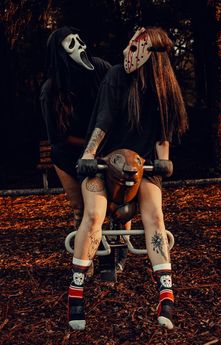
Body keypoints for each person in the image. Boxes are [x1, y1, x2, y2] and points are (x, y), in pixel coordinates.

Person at [69, 27, 188, 331]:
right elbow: (104, 119)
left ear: (153, 59)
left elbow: (162, 133)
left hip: (140, 168)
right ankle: (76, 293)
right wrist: (89, 154)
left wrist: (163, 161)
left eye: (136, 49)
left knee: (155, 216)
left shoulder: (162, 90)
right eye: (129, 46)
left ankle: (166, 295)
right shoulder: (116, 77)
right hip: (101, 166)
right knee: (94, 215)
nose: (127, 54)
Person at [40, 26, 111, 229]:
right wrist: (90, 148)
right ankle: (85, 258)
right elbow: (58, 137)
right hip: (69, 154)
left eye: (79, 40)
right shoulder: (51, 90)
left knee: (116, 206)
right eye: (71, 44)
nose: (80, 46)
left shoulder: (100, 69)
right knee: (81, 208)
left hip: (106, 148)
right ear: (61, 54)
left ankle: (116, 256)